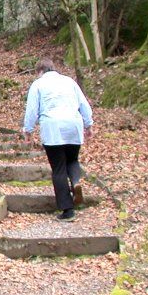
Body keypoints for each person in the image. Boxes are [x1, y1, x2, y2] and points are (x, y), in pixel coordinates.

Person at [22, 58, 94, 221]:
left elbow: (32, 110)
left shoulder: (38, 84)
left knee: (59, 167)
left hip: (53, 127)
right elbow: (84, 104)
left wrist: (28, 130)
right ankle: (75, 182)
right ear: (53, 69)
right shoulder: (69, 81)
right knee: (73, 160)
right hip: (73, 125)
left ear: (39, 71)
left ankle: (68, 210)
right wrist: (88, 125)